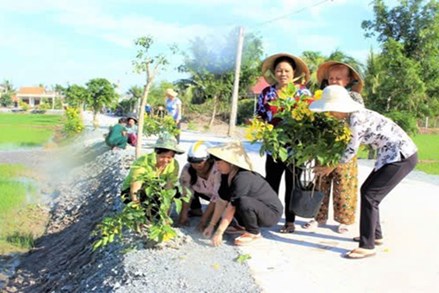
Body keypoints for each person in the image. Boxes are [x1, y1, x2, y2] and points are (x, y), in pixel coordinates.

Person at [310, 85, 418, 259]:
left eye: (330, 109)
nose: (329, 114)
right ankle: (375, 235)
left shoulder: (355, 118)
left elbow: (352, 149)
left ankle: (367, 246)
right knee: (368, 193)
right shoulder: (353, 116)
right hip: (391, 156)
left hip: (401, 156)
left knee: (370, 195)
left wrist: (330, 167)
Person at [302, 61, 365, 233]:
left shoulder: (354, 98)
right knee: (320, 181)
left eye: (339, 78)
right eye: (331, 78)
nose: (334, 81)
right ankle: (317, 217)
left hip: (346, 147)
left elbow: (357, 128)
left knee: (345, 184)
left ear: (348, 80)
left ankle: (345, 220)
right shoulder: (324, 96)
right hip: (324, 146)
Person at [255, 52, 311, 233]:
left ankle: (290, 221)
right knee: (271, 184)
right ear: (274, 72)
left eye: (287, 70)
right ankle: (268, 216)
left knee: (292, 186)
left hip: (296, 149)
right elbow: (261, 116)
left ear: (294, 72)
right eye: (279, 70)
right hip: (274, 148)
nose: (283, 74)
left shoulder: (303, 93)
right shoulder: (266, 92)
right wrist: (263, 131)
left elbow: (310, 119)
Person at [203, 141, 283, 246]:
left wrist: (219, 232)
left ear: (230, 162)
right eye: (216, 163)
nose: (216, 166)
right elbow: (221, 201)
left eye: (219, 163)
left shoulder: (243, 177)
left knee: (241, 201)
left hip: (270, 214)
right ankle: (242, 226)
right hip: (255, 207)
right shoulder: (225, 175)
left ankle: (253, 233)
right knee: (235, 201)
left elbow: (232, 206)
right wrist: (211, 225)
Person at [121, 132, 185, 204]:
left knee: (176, 191)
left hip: (154, 189)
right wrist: (136, 207)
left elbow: (169, 186)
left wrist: (165, 210)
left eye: (169, 157)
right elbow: (136, 185)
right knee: (145, 191)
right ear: (156, 152)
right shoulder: (143, 162)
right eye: (162, 157)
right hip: (132, 191)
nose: (165, 161)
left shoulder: (174, 164)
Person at [178, 141, 222, 231]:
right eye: (192, 162)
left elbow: (216, 198)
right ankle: (196, 210)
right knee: (182, 189)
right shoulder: (188, 169)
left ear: (209, 160)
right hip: (202, 191)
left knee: (218, 218)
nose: (196, 165)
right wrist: (183, 216)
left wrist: (203, 222)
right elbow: (186, 193)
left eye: (199, 162)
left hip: (219, 196)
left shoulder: (218, 170)